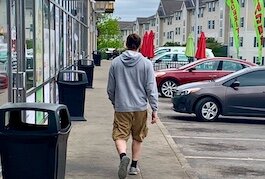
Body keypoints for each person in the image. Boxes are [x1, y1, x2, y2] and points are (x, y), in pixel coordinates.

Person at [107, 33, 159, 179]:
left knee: (119, 135)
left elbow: (110, 88)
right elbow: (151, 89)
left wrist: (115, 102)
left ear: (126, 44)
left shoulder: (116, 63)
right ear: (140, 45)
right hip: (140, 107)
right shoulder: (146, 64)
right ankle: (134, 167)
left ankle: (123, 156)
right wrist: (154, 109)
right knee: (138, 136)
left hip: (122, 106)